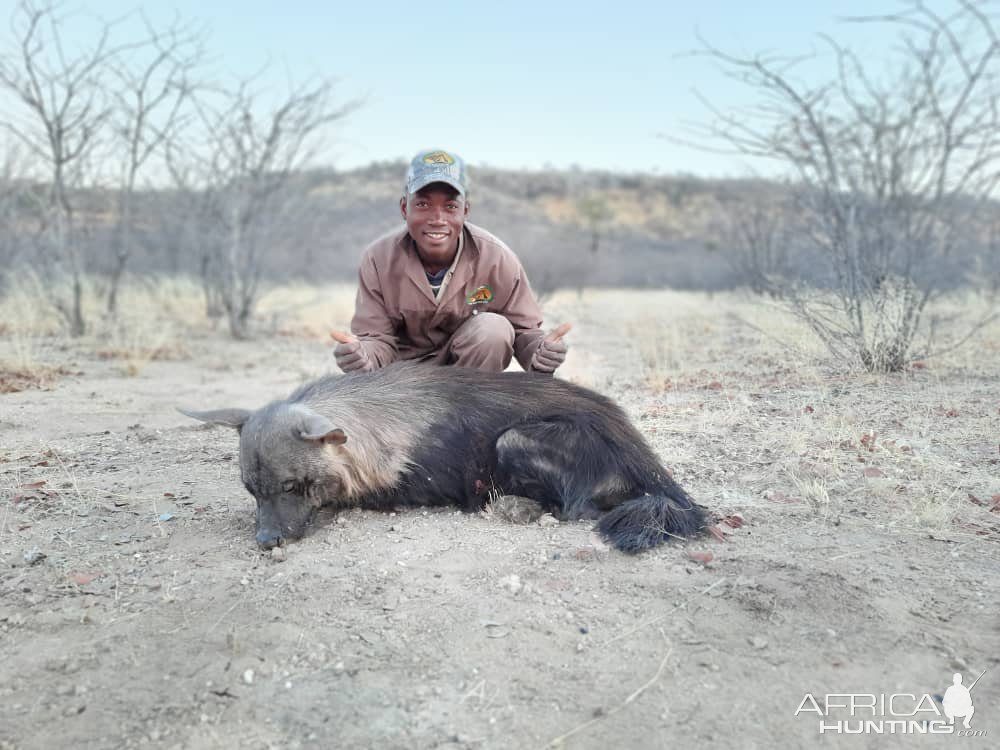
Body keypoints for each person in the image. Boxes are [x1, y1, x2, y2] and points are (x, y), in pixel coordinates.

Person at [331, 148, 570, 374]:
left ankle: (471, 415)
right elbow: (376, 339)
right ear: (405, 208)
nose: (437, 219)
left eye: (450, 206)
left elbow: (524, 332)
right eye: (423, 204)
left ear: (465, 210)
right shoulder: (378, 259)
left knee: (493, 329)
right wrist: (362, 356)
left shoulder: (498, 258)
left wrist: (540, 352)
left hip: (469, 382)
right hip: (404, 380)